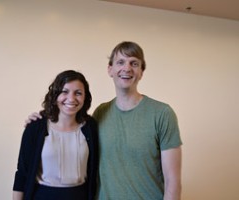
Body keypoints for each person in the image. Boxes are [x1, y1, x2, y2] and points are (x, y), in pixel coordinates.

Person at [26, 41, 182, 200]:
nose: (127, 68)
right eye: (120, 62)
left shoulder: (162, 114)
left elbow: (173, 182)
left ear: (141, 72)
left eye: (134, 63)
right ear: (110, 69)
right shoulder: (100, 113)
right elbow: (68, 126)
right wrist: (40, 120)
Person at [13, 70, 99, 200]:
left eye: (78, 93)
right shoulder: (35, 127)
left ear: (85, 97)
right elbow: (22, 173)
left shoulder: (90, 127)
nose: (71, 98)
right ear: (54, 95)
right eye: (64, 92)